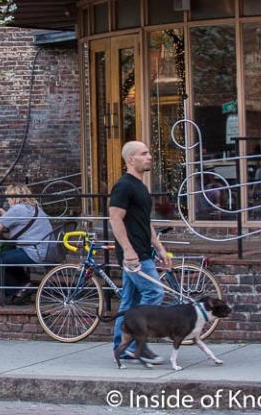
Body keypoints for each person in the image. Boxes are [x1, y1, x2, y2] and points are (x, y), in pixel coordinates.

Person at [108, 141, 171, 364]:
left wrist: (160, 248)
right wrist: (127, 250)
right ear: (131, 159)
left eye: (149, 153)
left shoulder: (141, 187)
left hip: (143, 250)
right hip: (134, 254)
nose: (149, 157)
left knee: (130, 302)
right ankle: (137, 345)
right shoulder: (123, 186)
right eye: (144, 154)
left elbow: (145, 222)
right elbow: (115, 218)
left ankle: (122, 348)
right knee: (154, 293)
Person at [0, 184, 52, 304]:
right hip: (45, 250)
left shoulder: (17, 209)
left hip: (34, 252)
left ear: (14, 197)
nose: (8, 200)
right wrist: (2, 212)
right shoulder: (34, 208)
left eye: (8, 197)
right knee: (8, 257)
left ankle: (16, 291)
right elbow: (14, 232)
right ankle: (25, 285)